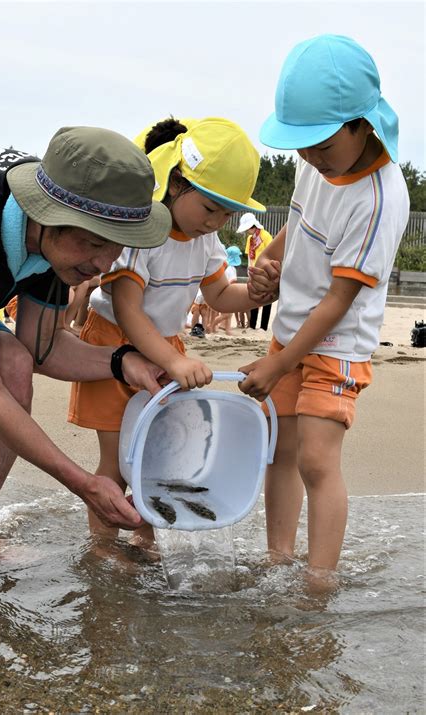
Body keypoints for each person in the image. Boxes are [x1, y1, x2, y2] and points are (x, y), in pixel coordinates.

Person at [239, 34, 410, 589]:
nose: (309, 156)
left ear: (363, 124)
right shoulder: (313, 165)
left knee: (315, 458)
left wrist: (279, 363)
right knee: (278, 452)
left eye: (321, 144)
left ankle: (319, 579)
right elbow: (299, 222)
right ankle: (278, 558)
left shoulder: (380, 198)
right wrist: (269, 259)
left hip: (336, 343)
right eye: (301, 146)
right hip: (289, 332)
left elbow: (340, 300)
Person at [0, 126, 173, 551]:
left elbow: (42, 348)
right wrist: (84, 483)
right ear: (45, 216)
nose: (102, 265)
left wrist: (123, 360)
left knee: (14, 363)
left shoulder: (56, 224)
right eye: (92, 243)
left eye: (117, 248)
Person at [68, 116, 277, 544]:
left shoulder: (206, 240)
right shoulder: (143, 229)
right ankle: (103, 548)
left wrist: (258, 296)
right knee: (118, 458)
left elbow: (219, 295)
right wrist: (173, 360)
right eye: (209, 207)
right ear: (177, 183)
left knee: (157, 458)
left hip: (167, 346)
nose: (216, 220)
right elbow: (127, 310)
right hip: (111, 343)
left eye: (227, 212)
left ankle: (145, 540)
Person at [237, 212, 273, 331]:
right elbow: (249, 256)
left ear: (253, 226)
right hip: (253, 271)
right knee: (254, 298)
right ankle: (252, 325)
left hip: (265, 271)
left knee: (267, 297)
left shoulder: (266, 236)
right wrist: (249, 269)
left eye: (247, 229)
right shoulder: (250, 239)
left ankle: (263, 327)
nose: (247, 231)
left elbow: (270, 254)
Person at [212, 245, 242, 336]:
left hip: (223, 291)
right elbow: (233, 281)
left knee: (228, 313)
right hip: (229, 293)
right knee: (227, 314)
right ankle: (212, 325)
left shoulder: (224, 267)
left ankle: (226, 329)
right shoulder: (232, 269)